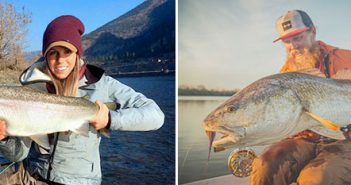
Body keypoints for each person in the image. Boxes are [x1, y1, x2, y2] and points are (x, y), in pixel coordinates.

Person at [0, 15, 164, 185]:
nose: (60, 60)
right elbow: (19, 155)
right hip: (31, 175)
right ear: (45, 56)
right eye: (53, 53)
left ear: (77, 53)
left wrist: (110, 119)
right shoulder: (34, 86)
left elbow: (156, 115)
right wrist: (4, 139)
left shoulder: (102, 85)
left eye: (67, 52)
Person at [250, 10, 351, 185]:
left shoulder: (346, 58)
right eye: (286, 41)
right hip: (302, 139)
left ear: (313, 32)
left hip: (344, 140)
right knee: (263, 166)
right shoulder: (284, 74)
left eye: (297, 38)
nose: (293, 46)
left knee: (319, 178)